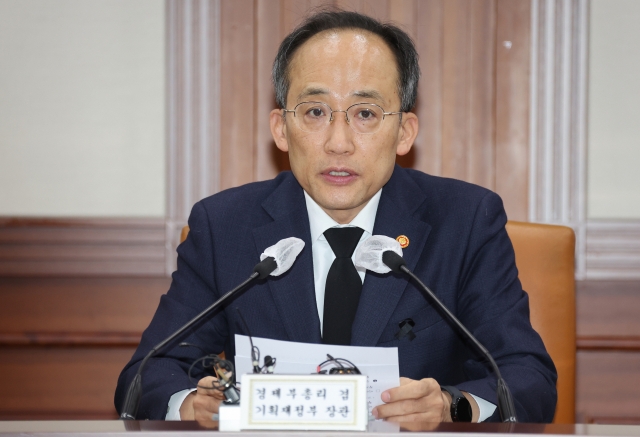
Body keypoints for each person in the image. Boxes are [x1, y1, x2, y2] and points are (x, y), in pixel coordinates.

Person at [115, 9, 557, 423]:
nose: (338, 142)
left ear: (404, 132)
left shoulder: (464, 221)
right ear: (281, 129)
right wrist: (192, 403)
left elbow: (527, 376)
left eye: (365, 113)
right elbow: (144, 377)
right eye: (315, 112)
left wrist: (450, 406)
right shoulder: (224, 226)